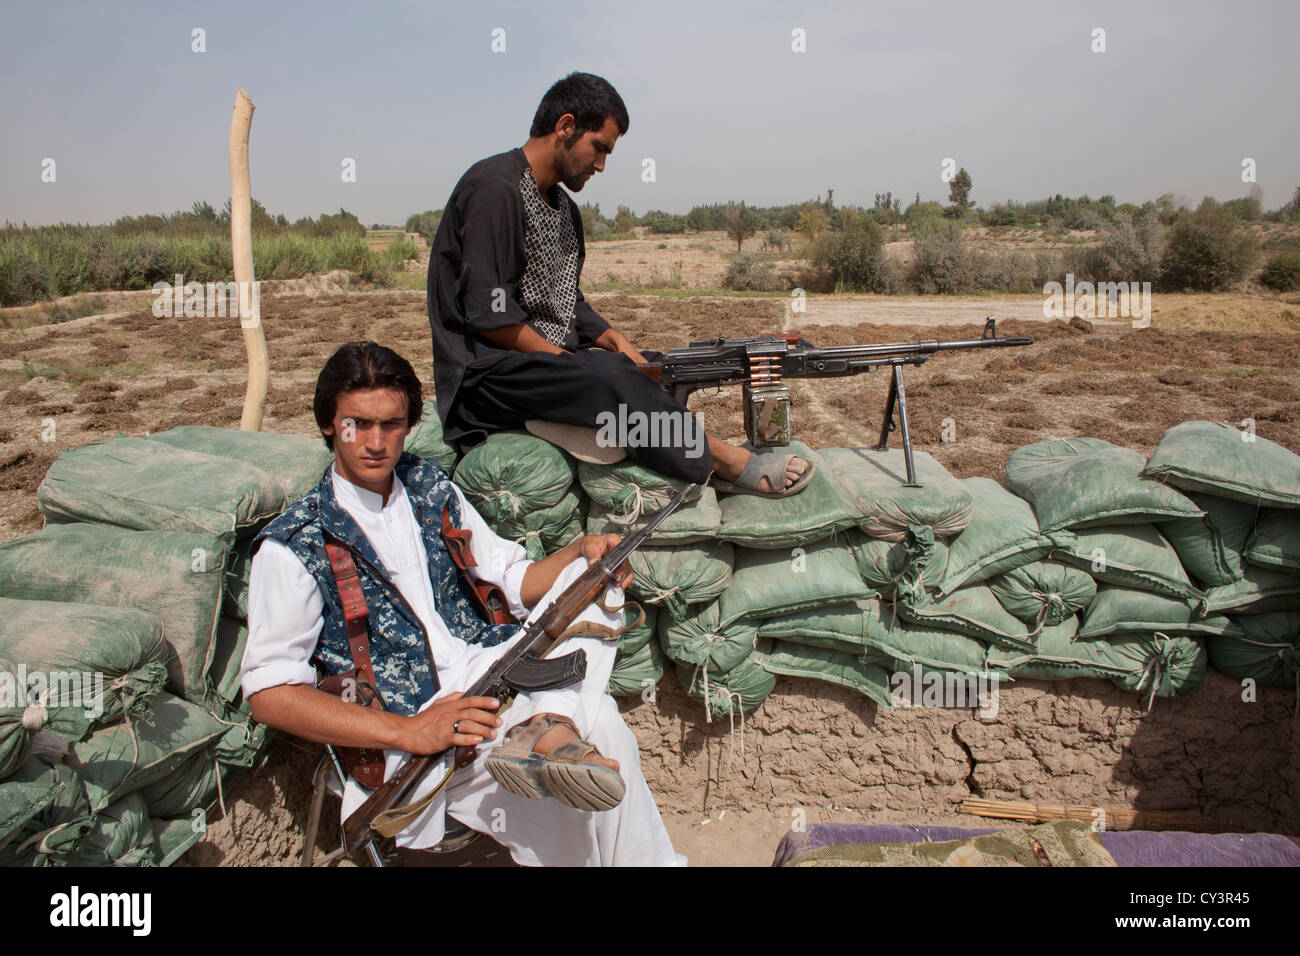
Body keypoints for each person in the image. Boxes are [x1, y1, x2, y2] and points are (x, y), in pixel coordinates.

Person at [241, 341, 685, 866]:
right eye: (357, 425)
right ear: (327, 426)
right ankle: (550, 726)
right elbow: (269, 692)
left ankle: (546, 723)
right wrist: (411, 730)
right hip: (418, 726)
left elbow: (513, 579)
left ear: (408, 425)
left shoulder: (428, 486)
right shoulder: (295, 544)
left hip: (495, 676)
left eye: (392, 425)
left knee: (593, 586)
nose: (376, 442)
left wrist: (580, 554)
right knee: (604, 725)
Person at [427, 71, 813, 498]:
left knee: (649, 364)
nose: (601, 165)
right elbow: (491, 316)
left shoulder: (565, 210)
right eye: (600, 148)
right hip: (487, 376)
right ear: (566, 126)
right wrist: (572, 363)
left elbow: (566, 301)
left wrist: (616, 340)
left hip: (545, 368)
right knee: (607, 376)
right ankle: (722, 459)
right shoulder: (495, 188)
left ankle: (637, 430)